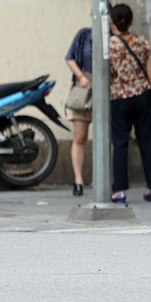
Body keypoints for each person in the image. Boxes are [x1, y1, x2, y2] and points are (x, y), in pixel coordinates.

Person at [107, 4, 151, 204]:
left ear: (111, 22)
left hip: (118, 98)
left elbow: (106, 76)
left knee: (120, 143)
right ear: (131, 21)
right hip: (143, 96)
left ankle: (119, 190)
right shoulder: (141, 42)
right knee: (147, 141)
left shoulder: (108, 46)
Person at [64, 27, 92, 197]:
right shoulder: (84, 35)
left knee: (111, 137)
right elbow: (69, 58)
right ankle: (78, 180)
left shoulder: (114, 37)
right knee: (79, 136)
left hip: (109, 87)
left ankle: (109, 179)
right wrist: (81, 76)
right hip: (84, 87)